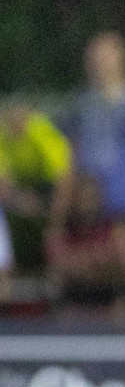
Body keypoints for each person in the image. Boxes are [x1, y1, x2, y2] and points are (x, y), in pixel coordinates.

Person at [59, 32, 125, 226]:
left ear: (120, 59)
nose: (98, 63)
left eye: (104, 57)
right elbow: (68, 147)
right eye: (94, 58)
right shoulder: (79, 102)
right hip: (85, 202)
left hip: (123, 198)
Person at [45, 173, 125, 318]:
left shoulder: (116, 228)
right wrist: (101, 261)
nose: (87, 204)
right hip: (74, 298)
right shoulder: (61, 231)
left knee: (123, 308)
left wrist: (85, 263)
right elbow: (60, 269)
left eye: (91, 198)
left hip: (111, 296)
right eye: (81, 198)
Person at [0, 101, 71, 273]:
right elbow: (3, 182)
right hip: (23, 187)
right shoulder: (3, 135)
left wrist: (56, 220)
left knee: (56, 220)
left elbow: (63, 179)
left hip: (49, 185)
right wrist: (21, 201)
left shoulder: (40, 132)